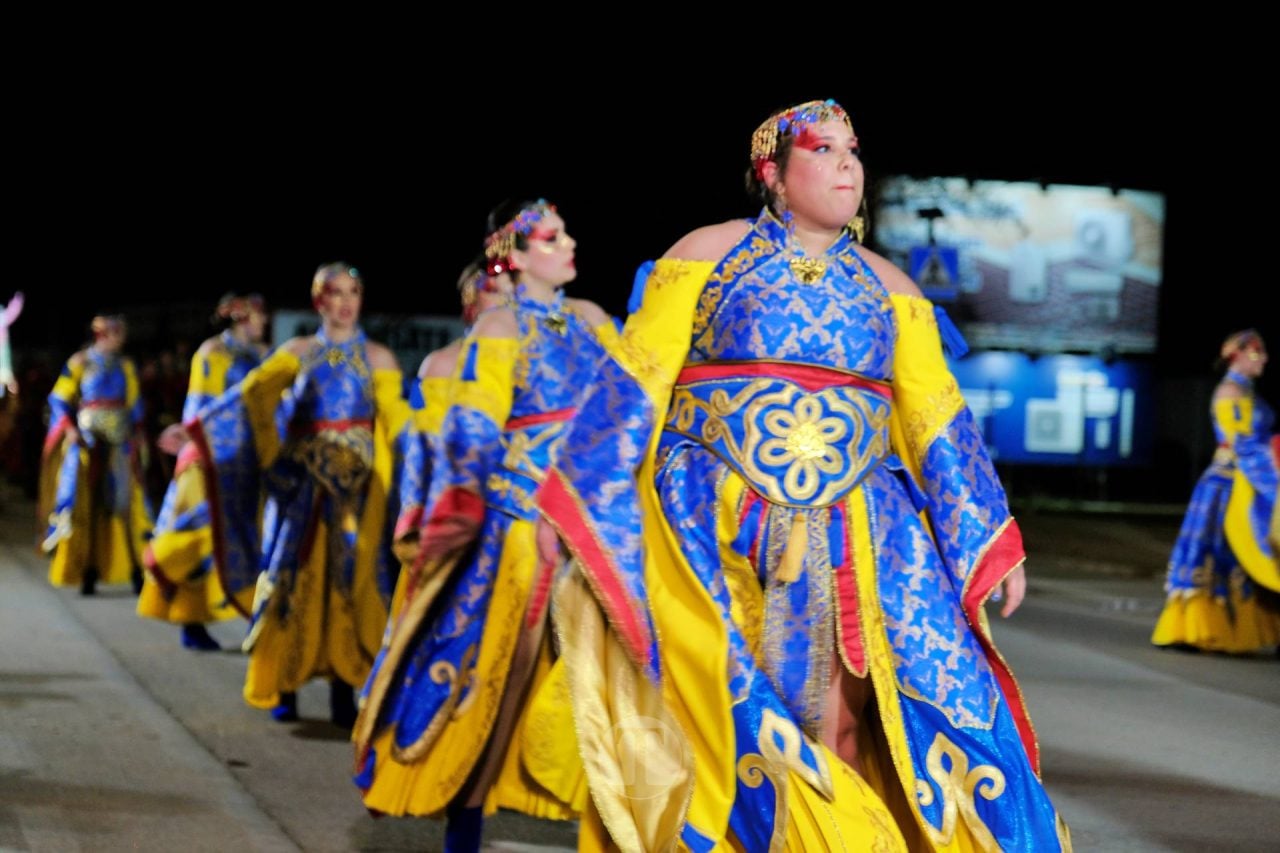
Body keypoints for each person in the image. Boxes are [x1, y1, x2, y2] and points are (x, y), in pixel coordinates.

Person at [536, 100, 1071, 850]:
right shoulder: (707, 253)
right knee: (734, 721)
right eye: (824, 149)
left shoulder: (893, 288)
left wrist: (989, 539)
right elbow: (640, 378)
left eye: (854, 149)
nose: (849, 163)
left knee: (847, 721)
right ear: (773, 174)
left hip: (861, 533)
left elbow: (937, 425)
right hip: (717, 527)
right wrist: (584, 499)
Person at [353, 201, 615, 851]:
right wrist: (464, 504)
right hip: (523, 527)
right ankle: (465, 823)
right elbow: (474, 428)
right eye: (553, 237)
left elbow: (630, 398)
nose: (570, 242)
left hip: (596, 525)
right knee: (501, 676)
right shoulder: (499, 327)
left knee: (616, 676)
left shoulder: (592, 320)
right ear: (518, 257)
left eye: (566, 233)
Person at [188, 264, 417, 727]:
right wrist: (274, 458)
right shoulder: (298, 351)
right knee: (290, 578)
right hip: (302, 489)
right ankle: (284, 684)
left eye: (354, 291)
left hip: (357, 491)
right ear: (319, 301)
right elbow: (254, 395)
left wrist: (423, 467)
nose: (347, 301)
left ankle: (344, 686)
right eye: (336, 292)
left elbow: (399, 424)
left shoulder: (379, 358)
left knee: (351, 582)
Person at [137, 293, 270, 650]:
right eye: (259, 316)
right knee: (200, 533)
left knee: (243, 542)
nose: (264, 322)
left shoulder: (265, 355)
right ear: (241, 317)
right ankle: (166, 574)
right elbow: (201, 410)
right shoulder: (212, 354)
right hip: (208, 459)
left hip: (247, 463)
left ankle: (251, 621)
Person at [1152, 329, 1280, 652]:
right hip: (1228, 484)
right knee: (1218, 555)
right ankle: (1197, 628)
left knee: (1246, 557)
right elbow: (1245, 445)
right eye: (1257, 352)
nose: (1263, 359)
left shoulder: (1246, 392)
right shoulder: (1230, 392)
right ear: (1238, 354)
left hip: (1244, 480)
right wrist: (1275, 480)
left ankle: (1233, 627)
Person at [39, 315, 152, 596]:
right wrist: (69, 429)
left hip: (120, 440)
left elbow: (135, 402)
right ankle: (87, 571)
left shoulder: (125, 365)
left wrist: (138, 431)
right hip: (88, 443)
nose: (121, 339)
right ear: (102, 335)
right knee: (85, 506)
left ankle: (136, 571)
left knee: (125, 504)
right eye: (116, 333)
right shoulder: (80, 362)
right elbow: (59, 398)